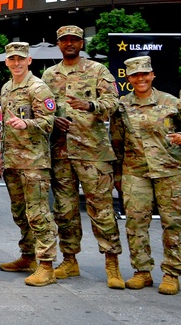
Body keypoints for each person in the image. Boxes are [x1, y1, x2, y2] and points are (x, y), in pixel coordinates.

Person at [112, 55, 181, 296]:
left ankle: (172, 274)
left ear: (152, 75)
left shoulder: (171, 101)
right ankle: (142, 271)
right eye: (135, 75)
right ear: (129, 78)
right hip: (136, 172)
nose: (140, 78)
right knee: (135, 223)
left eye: (145, 74)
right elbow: (117, 141)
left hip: (170, 172)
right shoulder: (122, 106)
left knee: (173, 223)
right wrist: (118, 174)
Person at [41, 25, 124, 289]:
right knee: (64, 211)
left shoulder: (97, 70)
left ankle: (112, 263)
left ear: (81, 43)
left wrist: (91, 105)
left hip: (93, 152)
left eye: (74, 40)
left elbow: (113, 104)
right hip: (61, 152)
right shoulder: (49, 74)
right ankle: (69, 259)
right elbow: (42, 108)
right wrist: (53, 120)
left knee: (101, 210)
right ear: (58, 44)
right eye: (64, 40)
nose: (69, 44)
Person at [0, 42, 60, 287]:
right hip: (12, 161)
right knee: (20, 213)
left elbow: (49, 121)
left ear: (29, 60)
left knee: (38, 214)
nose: (16, 63)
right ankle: (28, 256)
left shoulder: (38, 87)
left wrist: (28, 124)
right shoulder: (6, 88)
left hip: (34, 162)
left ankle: (46, 265)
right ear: (6, 62)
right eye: (12, 59)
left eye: (20, 59)